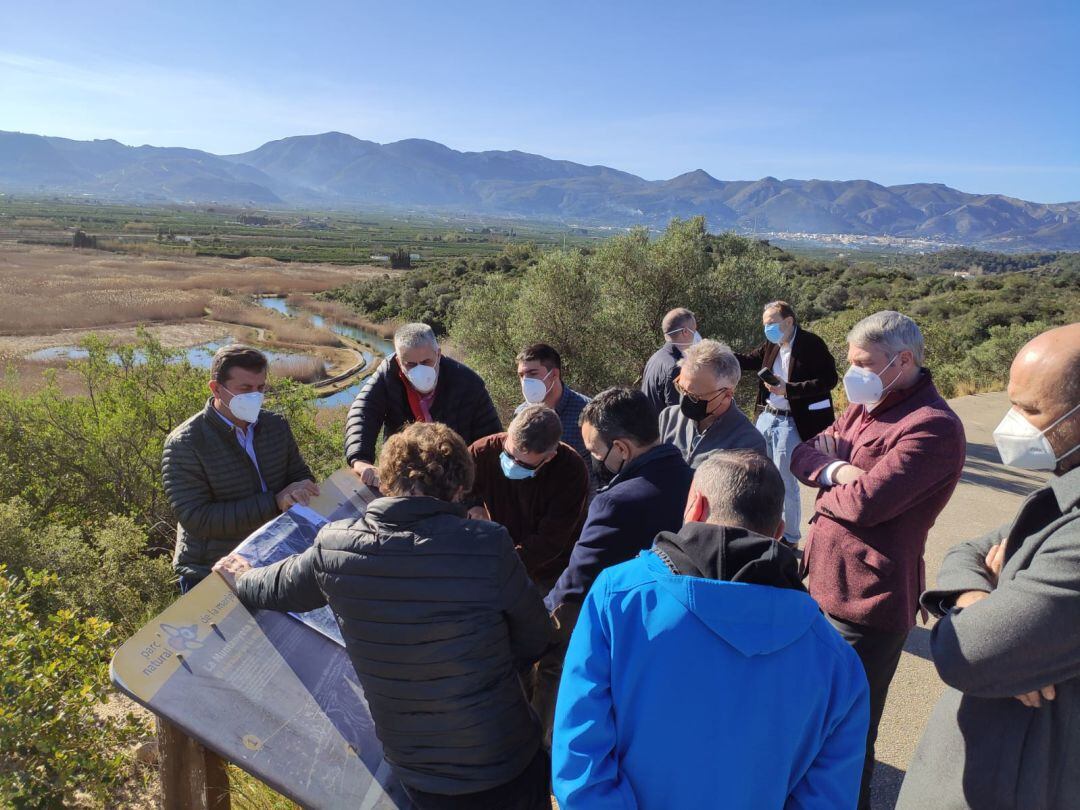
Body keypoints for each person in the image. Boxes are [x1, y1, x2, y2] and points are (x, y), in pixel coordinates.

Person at [216, 422, 553, 810]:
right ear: (460, 489)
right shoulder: (488, 544)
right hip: (504, 756)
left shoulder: (336, 548)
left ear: (386, 482)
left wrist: (241, 577)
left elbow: (275, 587)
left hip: (422, 772)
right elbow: (535, 636)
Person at [553, 451, 869, 809]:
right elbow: (827, 800)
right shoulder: (838, 663)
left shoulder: (618, 598)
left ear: (695, 507)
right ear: (779, 533)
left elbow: (580, 762)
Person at [897, 323, 1080, 810]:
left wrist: (985, 626)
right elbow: (965, 550)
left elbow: (968, 652)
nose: (1011, 421)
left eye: (1030, 410)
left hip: (1018, 783)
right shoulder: (1059, 494)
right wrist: (979, 598)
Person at [790, 310, 966, 810]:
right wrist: (840, 472)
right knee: (810, 723)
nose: (852, 374)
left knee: (845, 737)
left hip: (868, 604)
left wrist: (831, 479)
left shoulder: (932, 428)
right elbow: (803, 454)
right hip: (822, 584)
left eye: (862, 363)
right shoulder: (867, 407)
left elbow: (868, 503)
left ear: (903, 360)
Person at [534, 387, 693, 746]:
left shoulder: (615, 503)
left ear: (621, 448)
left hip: (624, 637)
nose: (594, 460)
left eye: (595, 451)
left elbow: (576, 582)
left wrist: (538, 618)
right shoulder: (694, 479)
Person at [162, 345, 317, 592]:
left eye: (260, 388)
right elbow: (197, 519)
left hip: (274, 553)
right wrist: (274, 502)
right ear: (216, 388)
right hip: (214, 570)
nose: (255, 396)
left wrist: (300, 488)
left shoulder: (275, 425)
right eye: (245, 389)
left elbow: (298, 474)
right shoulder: (186, 443)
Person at [345, 322, 501, 488]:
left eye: (426, 361)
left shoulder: (467, 383)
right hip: (405, 480)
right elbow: (363, 411)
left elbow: (491, 444)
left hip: (454, 483)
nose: (419, 369)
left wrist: (478, 500)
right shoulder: (388, 375)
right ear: (398, 361)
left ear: (438, 354)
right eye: (410, 364)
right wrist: (360, 460)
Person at [735, 300, 839, 547]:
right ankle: (766, 529)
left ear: (789, 321)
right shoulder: (772, 344)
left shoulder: (811, 344)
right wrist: (717, 352)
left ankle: (790, 538)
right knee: (760, 476)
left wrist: (789, 390)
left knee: (784, 481)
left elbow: (829, 380)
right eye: (765, 325)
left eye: (772, 323)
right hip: (767, 417)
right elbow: (750, 361)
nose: (767, 329)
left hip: (792, 423)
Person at [467, 405, 589, 593]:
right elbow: (452, 492)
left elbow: (549, 540)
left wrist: (499, 565)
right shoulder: (482, 451)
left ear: (549, 457)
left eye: (524, 464)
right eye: (508, 454)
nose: (512, 465)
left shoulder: (571, 471)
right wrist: (473, 506)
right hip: (498, 553)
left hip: (551, 570)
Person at [658, 338, 767, 468]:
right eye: (681, 388)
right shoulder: (669, 417)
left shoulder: (748, 443)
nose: (684, 399)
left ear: (727, 395)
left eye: (694, 396)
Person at [514, 343, 591, 471]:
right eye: (521, 375)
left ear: (554, 374)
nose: (525, 381)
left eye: (532, 373)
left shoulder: (587, 411)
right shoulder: (520, 414)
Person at [640, 307, 699, 414]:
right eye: (694, 330)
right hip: (662, 430)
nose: (696, 335)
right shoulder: (676, 367)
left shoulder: (656, 357)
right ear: (685, 331)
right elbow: (677, 415)